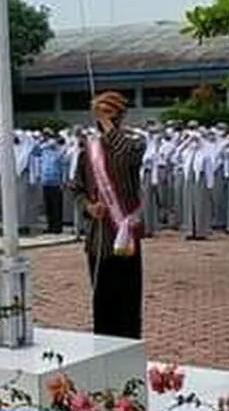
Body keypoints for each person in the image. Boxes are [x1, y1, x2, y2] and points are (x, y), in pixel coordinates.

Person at [70, 91, 147, 340]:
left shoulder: (135, 142)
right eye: (100, 111)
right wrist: (88, 206)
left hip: (124, 238)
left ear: (120, 115)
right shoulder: (89, 148)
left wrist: (107, 124)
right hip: (98, 238)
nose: (103, 116)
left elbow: (125, 155)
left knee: (127, 303)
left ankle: (128, 350)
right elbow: (76, 187)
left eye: (110, 112)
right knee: (102, 304)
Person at [36, 132, 67, 234]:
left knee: (56, 206)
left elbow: (63, 168)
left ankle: (57, 227)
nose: (50, 144)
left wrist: (63, 182)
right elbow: (35, 151)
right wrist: (43, 143)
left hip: (56, 183)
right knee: (48, 206)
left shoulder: (59, 153)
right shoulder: (44, 152)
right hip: (46, 182)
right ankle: (50, 226)